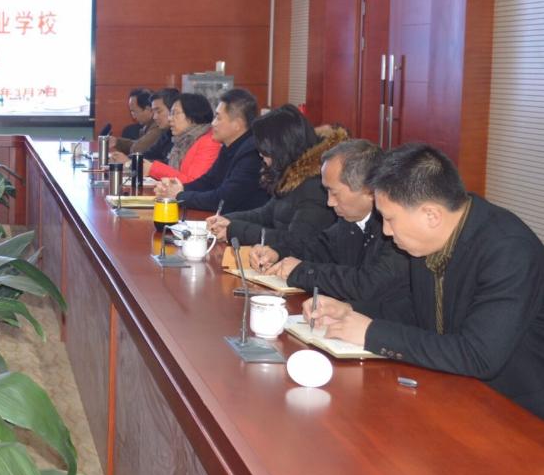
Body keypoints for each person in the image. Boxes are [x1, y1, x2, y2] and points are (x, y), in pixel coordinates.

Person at [306, 143, 544, 418]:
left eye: (390, 219)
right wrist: (351, 311)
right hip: (454, 389)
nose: (385, 231)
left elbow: (478, 355)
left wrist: (371, 333)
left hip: (516, 410)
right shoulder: (429, 239)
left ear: (431, 215)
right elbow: (417, 310)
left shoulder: (509, 251)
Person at [248, 138, 409, 313]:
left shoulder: (396, 230)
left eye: (334, 193)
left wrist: (303, 271)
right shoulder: (349, 221)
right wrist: (277, 253)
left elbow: (368, 285)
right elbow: (317, 248)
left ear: (368, 191)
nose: (329, 202)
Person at [207, 105, 341, 252]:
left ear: (281, 147)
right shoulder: (292, 174)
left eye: (264, 149)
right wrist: (227, 220)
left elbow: (296, 242)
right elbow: (265, 214)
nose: (260, 154)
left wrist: (236, 230)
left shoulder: (316, 186)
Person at [154, 88, 267, 213]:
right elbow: (208, 182)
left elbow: (222, 199)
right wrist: (177, 189)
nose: (213, 123)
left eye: (218, 118)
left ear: (237, 124)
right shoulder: (228, 146)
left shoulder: (252, 153)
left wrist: (179, 196)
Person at [144, 93, 218, 182]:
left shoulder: (209, 142)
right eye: (170, 113)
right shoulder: (181, 140)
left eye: (175, 113)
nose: (170, 118)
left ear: (192, 114)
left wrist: (153, 169)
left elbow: (194, 183)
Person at [111, 89, 161, 155]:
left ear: (148, 109)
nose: (133, 116)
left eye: (134, 111)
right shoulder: (147, 125)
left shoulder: (158, 125)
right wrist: (116, 142)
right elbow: (137, 144)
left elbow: (137, 149)